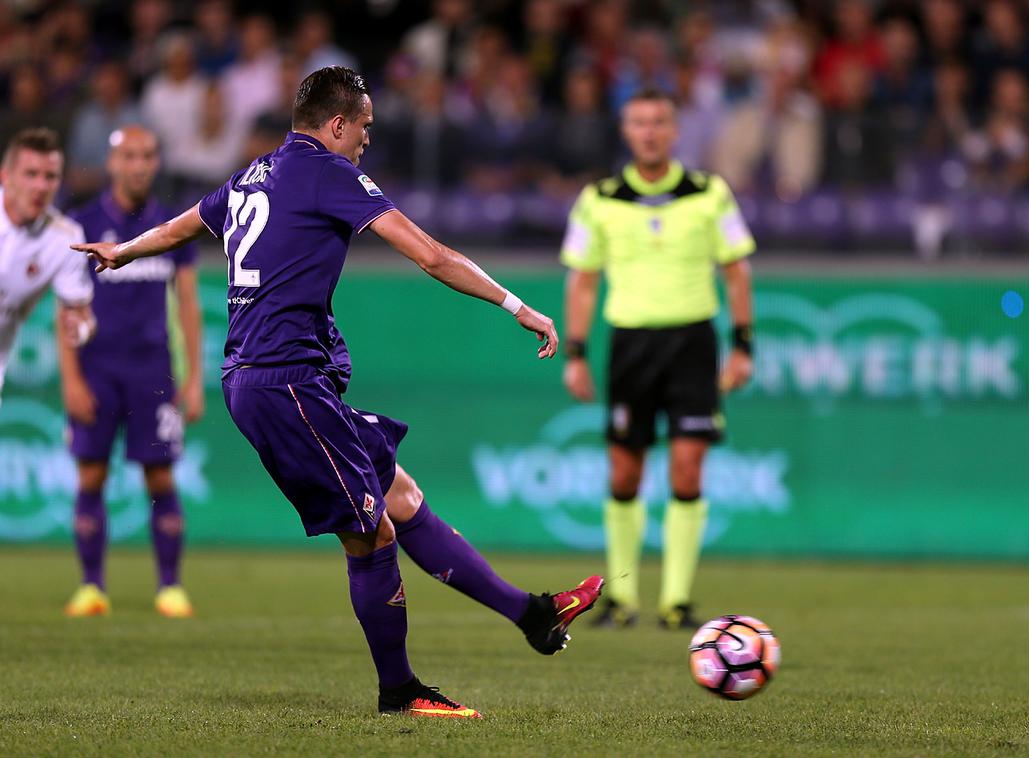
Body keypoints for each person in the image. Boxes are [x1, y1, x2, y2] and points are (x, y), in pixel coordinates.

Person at [74, 66, 602, 719]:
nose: (367, 142)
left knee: (400, 496)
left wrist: (123, 251)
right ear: (336, 125)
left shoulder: (254, 174)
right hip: (285, 383)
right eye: (365, 128)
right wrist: (515, 304)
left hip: (277, 379)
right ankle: (400, 691)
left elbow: (184, 225)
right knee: (370, 535)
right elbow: (430, 254)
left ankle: (532, 615)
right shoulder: (331, 172)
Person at [559, 88, 755, 631]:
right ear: (626, 131)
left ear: (674, 132)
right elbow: (583, 281)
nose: (649, 132)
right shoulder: (598, 199)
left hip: (693, 343)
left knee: (688, 467)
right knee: (625, 471)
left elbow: (737, 270)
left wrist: (743, 344)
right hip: (631, 344)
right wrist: (576, 353)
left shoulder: (710, 193)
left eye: (659, 123)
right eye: (639, 122)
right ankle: (623, 600)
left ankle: (676, 602)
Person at [61, 126, 203, 619]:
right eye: (130, 156)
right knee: (92, 474)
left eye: (148, 155)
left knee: (160, 476)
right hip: (97, 368)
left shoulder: (173, 224)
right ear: (112, 163)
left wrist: (193, 378)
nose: (140, 165)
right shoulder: (82, 224)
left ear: (157, 162)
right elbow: (68, 309)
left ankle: (169, 586)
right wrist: (72, 379)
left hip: (153, 370)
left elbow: (187, 302)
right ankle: (91, 587)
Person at [0, 128, 94, 407]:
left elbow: (81, 317)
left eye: (50, 177)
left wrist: (81, 329)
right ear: (5, 176)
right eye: (31, 174)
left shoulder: (65, 239)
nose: (41, 186)